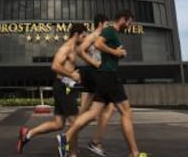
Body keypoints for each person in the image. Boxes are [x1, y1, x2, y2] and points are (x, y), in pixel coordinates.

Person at [57, 11, 147, 157]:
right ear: (123, 19)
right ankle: (134, 153)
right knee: (125, 112)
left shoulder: (109, 32)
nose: (130, 25)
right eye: (130, 22)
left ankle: (68, 137)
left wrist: (116, 54)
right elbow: (93, 46)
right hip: (107, 75)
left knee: (95, 113)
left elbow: (99, 46)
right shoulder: (109, 30)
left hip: (103, 76)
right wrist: (112, 55)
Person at [17, 23, 88, 157]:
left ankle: (28, 134)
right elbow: (55, 66)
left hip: (65, 87)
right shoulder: (66, 48)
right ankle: (72, 153)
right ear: (77, 34)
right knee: (75, 122)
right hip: (63, 87)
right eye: (84, 36)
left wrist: (74, 75)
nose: (85, 39)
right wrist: (71, 75)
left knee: (58, 123)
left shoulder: (74, 48)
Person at [77, 14, 115, 157]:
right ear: (100, 24)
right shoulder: (95, 35)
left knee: (86, 113)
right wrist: (95, 63)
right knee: (108, 108)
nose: (108, 27)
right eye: (107, 24)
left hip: (94, 74)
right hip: (96, 74)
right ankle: (95, 142)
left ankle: (68, 140)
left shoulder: (99, 36)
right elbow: (80, 51)